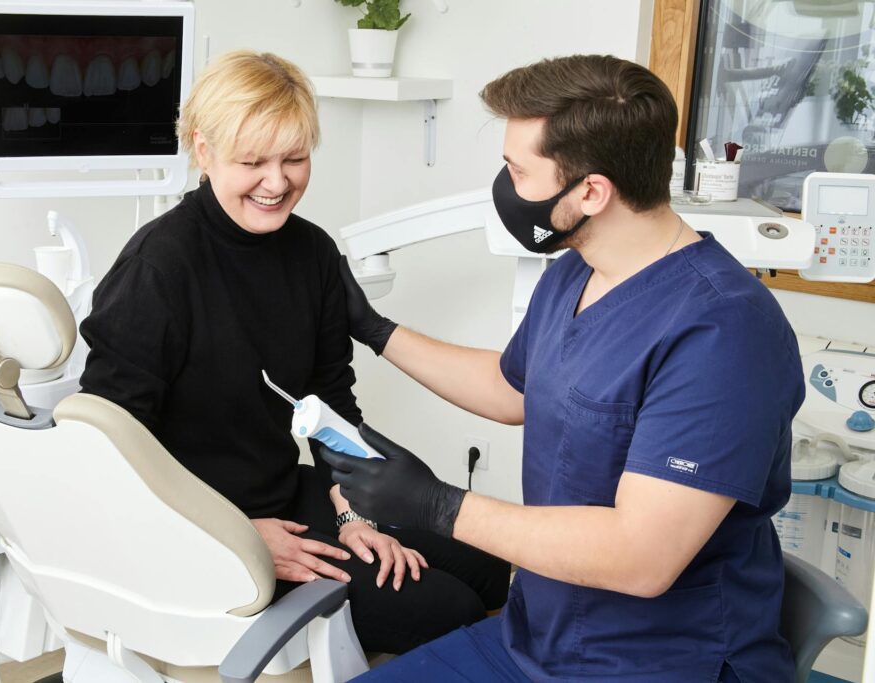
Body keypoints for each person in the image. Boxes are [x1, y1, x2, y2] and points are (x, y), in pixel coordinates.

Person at [323, 54, 804, 681]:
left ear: (591, 192)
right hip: (537, 637)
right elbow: (513, 386)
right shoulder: (576, 271)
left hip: (658, 660)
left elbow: (642, 557)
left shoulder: (725, 332)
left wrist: (438, 505)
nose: (505, 186)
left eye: (517, 170)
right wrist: (377, 332)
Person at [78, 49, 509, 655]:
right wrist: (238, 541)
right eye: (252, 161)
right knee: (444, 608)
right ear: (203, 151)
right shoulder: (158, 270)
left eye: (295, 159)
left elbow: (331, 401)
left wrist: (352, 507)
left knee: (490, 564)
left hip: (287, 492)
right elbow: (110, 454)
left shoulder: (310, 253)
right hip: (202, 527)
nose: (277, 183)